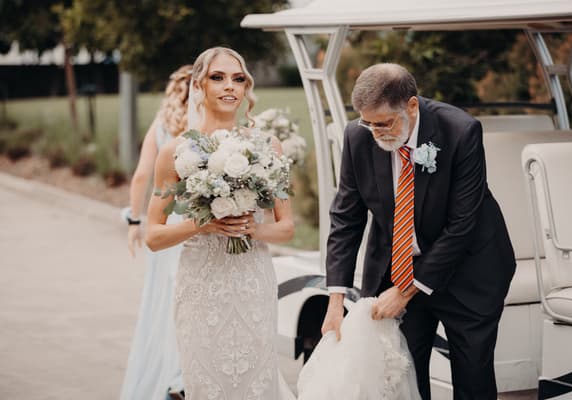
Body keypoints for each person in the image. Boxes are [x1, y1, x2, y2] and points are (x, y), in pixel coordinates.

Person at [321, 63, 516, 400]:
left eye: (384, 123)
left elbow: (461, 225)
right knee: (402, 375)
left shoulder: (461, 131)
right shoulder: (358, 135)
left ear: (411, 105)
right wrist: (335, 300)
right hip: (397, 268)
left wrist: (406, 291)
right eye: (369, 123)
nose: (376, 132)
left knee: (473, 376)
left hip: (470, 270)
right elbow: (346, 218)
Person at [145, 47, 295, 400]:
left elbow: (286, 226)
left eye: (238, 78)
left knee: (256, 383)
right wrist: (203, 225)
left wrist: (249, 229)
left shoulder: (267, 147)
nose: (230, 87)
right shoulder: (176, 153)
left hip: (252, 284)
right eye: (218, 77)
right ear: (199, 85)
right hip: (200, 287)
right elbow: (153, 235)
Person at [120, 65, 192, 400]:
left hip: (168, 227)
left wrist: (135, 220)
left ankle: (172, 375)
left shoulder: (162, 126)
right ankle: (182, 375)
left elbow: (141, 176)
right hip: (201, 224)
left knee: (165, 305)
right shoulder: (208, 126)